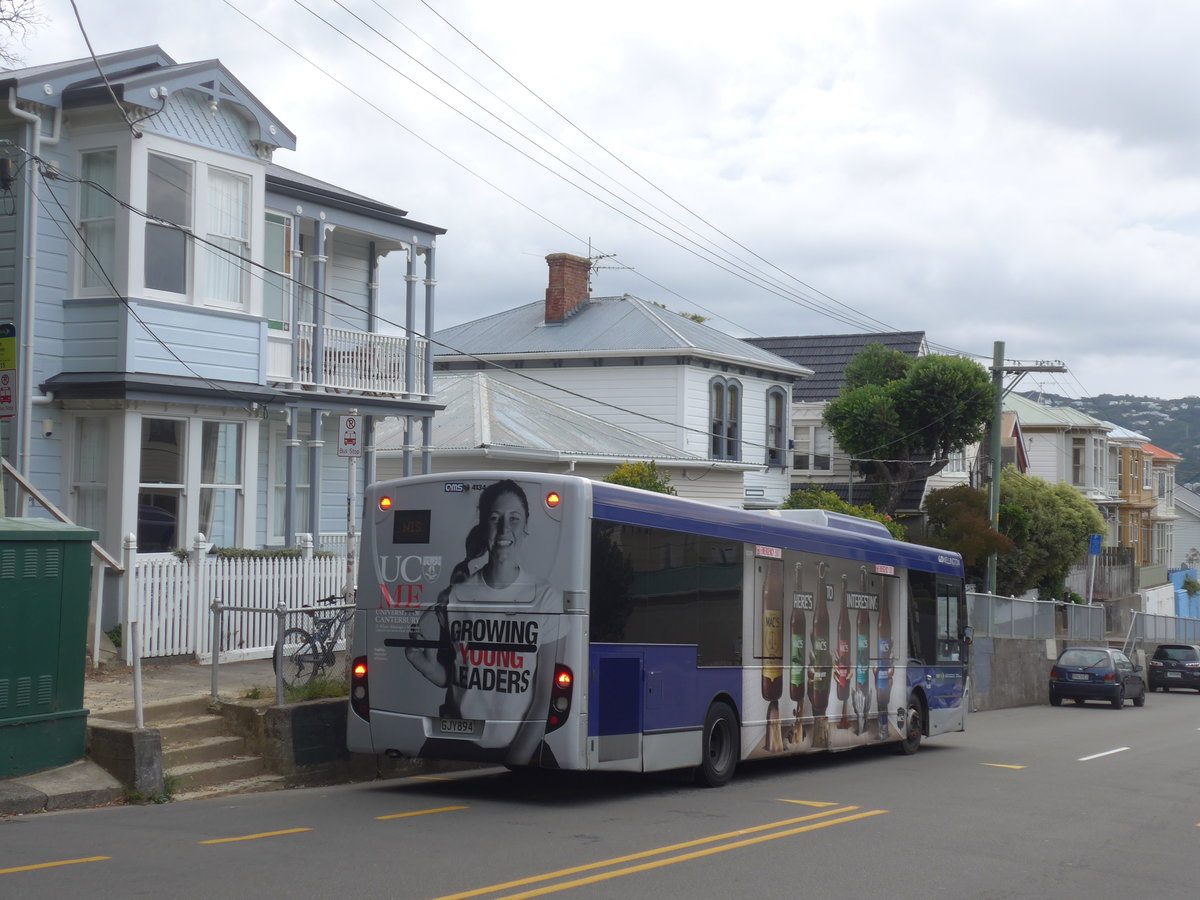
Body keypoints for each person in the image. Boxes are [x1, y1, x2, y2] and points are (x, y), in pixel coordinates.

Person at [406, 479, 561, 764]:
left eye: (514, 519)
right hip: (457, 741)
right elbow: (457, 680)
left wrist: (517, 761)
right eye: (495, 518)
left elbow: (543, 699)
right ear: (483, 528)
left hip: (520, 747)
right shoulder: (456, 595)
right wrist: (427, 667)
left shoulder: (546, 598)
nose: (504, 529)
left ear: (525, 528)